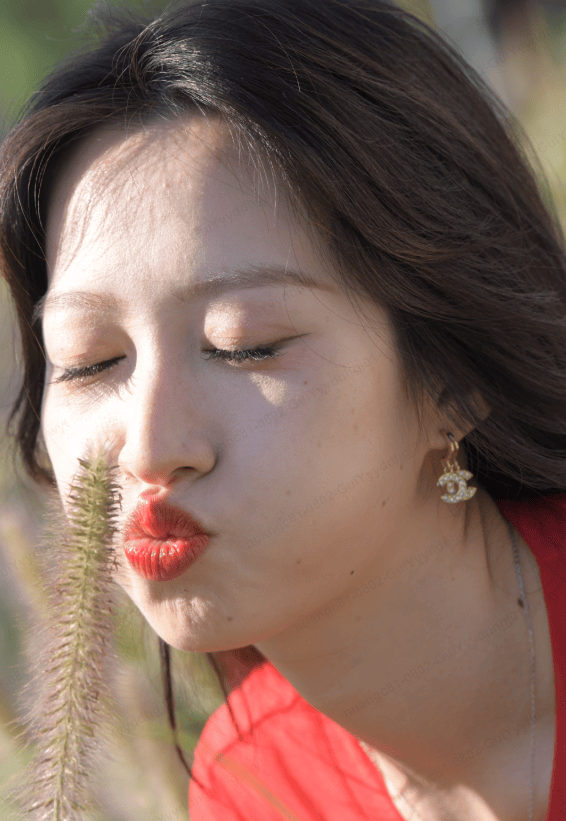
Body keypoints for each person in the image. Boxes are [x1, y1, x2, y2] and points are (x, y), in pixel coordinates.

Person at [1, 0, 565, 818]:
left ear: (453, 377)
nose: (149, 447)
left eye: (244, 344)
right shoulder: (248, 786)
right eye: (89, 359)